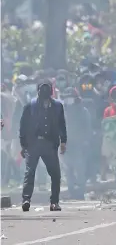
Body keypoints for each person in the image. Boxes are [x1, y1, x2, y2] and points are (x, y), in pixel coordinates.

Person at [19, 81, 67, 212]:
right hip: (33, 144)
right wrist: (23, 145)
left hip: (49, 144)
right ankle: (26, 200)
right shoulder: (30, 106)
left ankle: (54, 202)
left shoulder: (57, 106)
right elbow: (23, 126)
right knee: (30, 172)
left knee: (55, 174)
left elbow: (62, 124)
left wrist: (63, 141)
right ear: (38, 91)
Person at [60, 87, 92, 200]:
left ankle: (80, 192)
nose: (68, 101)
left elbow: (88, 128)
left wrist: (86, 141)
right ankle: (72, 191)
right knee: (68, 170)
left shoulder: (83, 112)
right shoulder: (62, 111)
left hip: (79, 144)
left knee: (79, 169)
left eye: (71, 98)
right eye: (66, 98)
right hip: (65, 144)